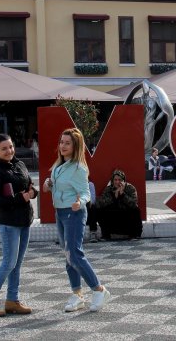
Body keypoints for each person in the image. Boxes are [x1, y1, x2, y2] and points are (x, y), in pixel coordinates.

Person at [42, 128, 111, 312]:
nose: (62, 146)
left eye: (67, 143)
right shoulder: (58, 166)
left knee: (74, 253)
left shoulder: (79, 168)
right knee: (68, 255)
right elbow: (52, 185)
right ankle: (77, 294)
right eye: (61, 142)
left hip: (74, 214)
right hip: (61, 213)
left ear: (75, 146)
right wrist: (48, 184)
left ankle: (99, 289)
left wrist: (80, 202)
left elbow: (86, 193)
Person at [0, 134, 36, 317]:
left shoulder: (19, 164)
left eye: (10, 147)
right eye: (4, 148)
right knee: (8, 263)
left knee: (17, 264)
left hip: (24, 220)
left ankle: (12, 300)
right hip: (9, 223)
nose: (9, 151)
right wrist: (21, 198)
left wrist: (32, 192)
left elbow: (29, 184)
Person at [94, 169, 142, 240]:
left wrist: (122, 194)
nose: (117, 182)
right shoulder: (108, 189)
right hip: (114, 216)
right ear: (112, 181)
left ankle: (134, 235)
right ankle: (106, 235)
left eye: (119, 180)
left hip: (126, 216)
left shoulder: (130, 188)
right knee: (99, 210)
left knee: (136, 210)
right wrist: (114, 197)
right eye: (115, 180)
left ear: (123, 180)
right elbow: (100, 203)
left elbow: (134, 204)